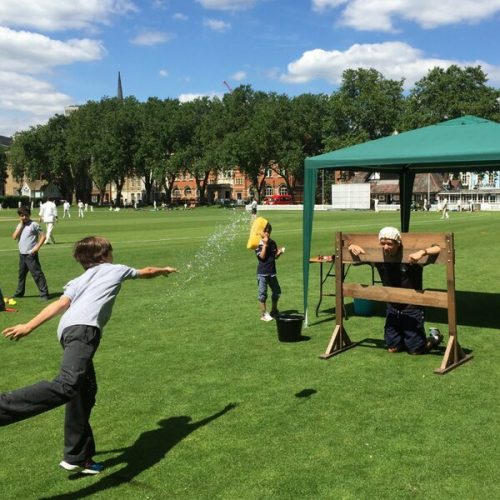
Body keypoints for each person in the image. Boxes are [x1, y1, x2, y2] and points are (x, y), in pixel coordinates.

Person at [1, 236, 178, 474]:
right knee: (67, 385)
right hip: (84, 331)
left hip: (68, 330)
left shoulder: (78, 279)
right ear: (104, 256)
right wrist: (163, 270)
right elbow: (145, 271)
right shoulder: (114, 269)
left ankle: (77, 456)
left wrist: (29, 326)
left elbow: (59, 305)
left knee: (84, 391)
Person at [348, 226, 443, 355]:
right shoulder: (378, 260)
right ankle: (405, 338)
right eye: (383, 244)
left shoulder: (414, 260)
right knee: (393, 348)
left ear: (398, 244)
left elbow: (440, 247)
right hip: (392, 307)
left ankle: (435, 336)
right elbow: (353, 254)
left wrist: (422, 252)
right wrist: (350, 246)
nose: (386, 247)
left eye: (390, 244)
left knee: (416, 350)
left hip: (412, 307)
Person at [12, 206, 49, 301]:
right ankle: (19, 292)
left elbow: (43, 236)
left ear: (29, 215)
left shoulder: (34, 224)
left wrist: (37, 247)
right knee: (21, 275)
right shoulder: (20, 225)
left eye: (26, 215)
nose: (24, 217)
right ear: (19, 216)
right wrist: (21, 225)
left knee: (37, 274)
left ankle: (44, 294)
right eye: (22, 215)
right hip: (22, 254)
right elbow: (14, 237)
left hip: (30, 255)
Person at [256, 222, 284, 321]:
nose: (267, 233)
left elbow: (274, 256)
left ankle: (274, 310)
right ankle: (263, 314)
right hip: (262, 273)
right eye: (265, 231)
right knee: (262, 294)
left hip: (272, 273)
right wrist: (264, 245)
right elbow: (262, 257)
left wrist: (279, 253)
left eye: (268, 231)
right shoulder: (258, 243)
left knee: (277, 292)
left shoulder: (273, 243)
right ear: (261, 233)